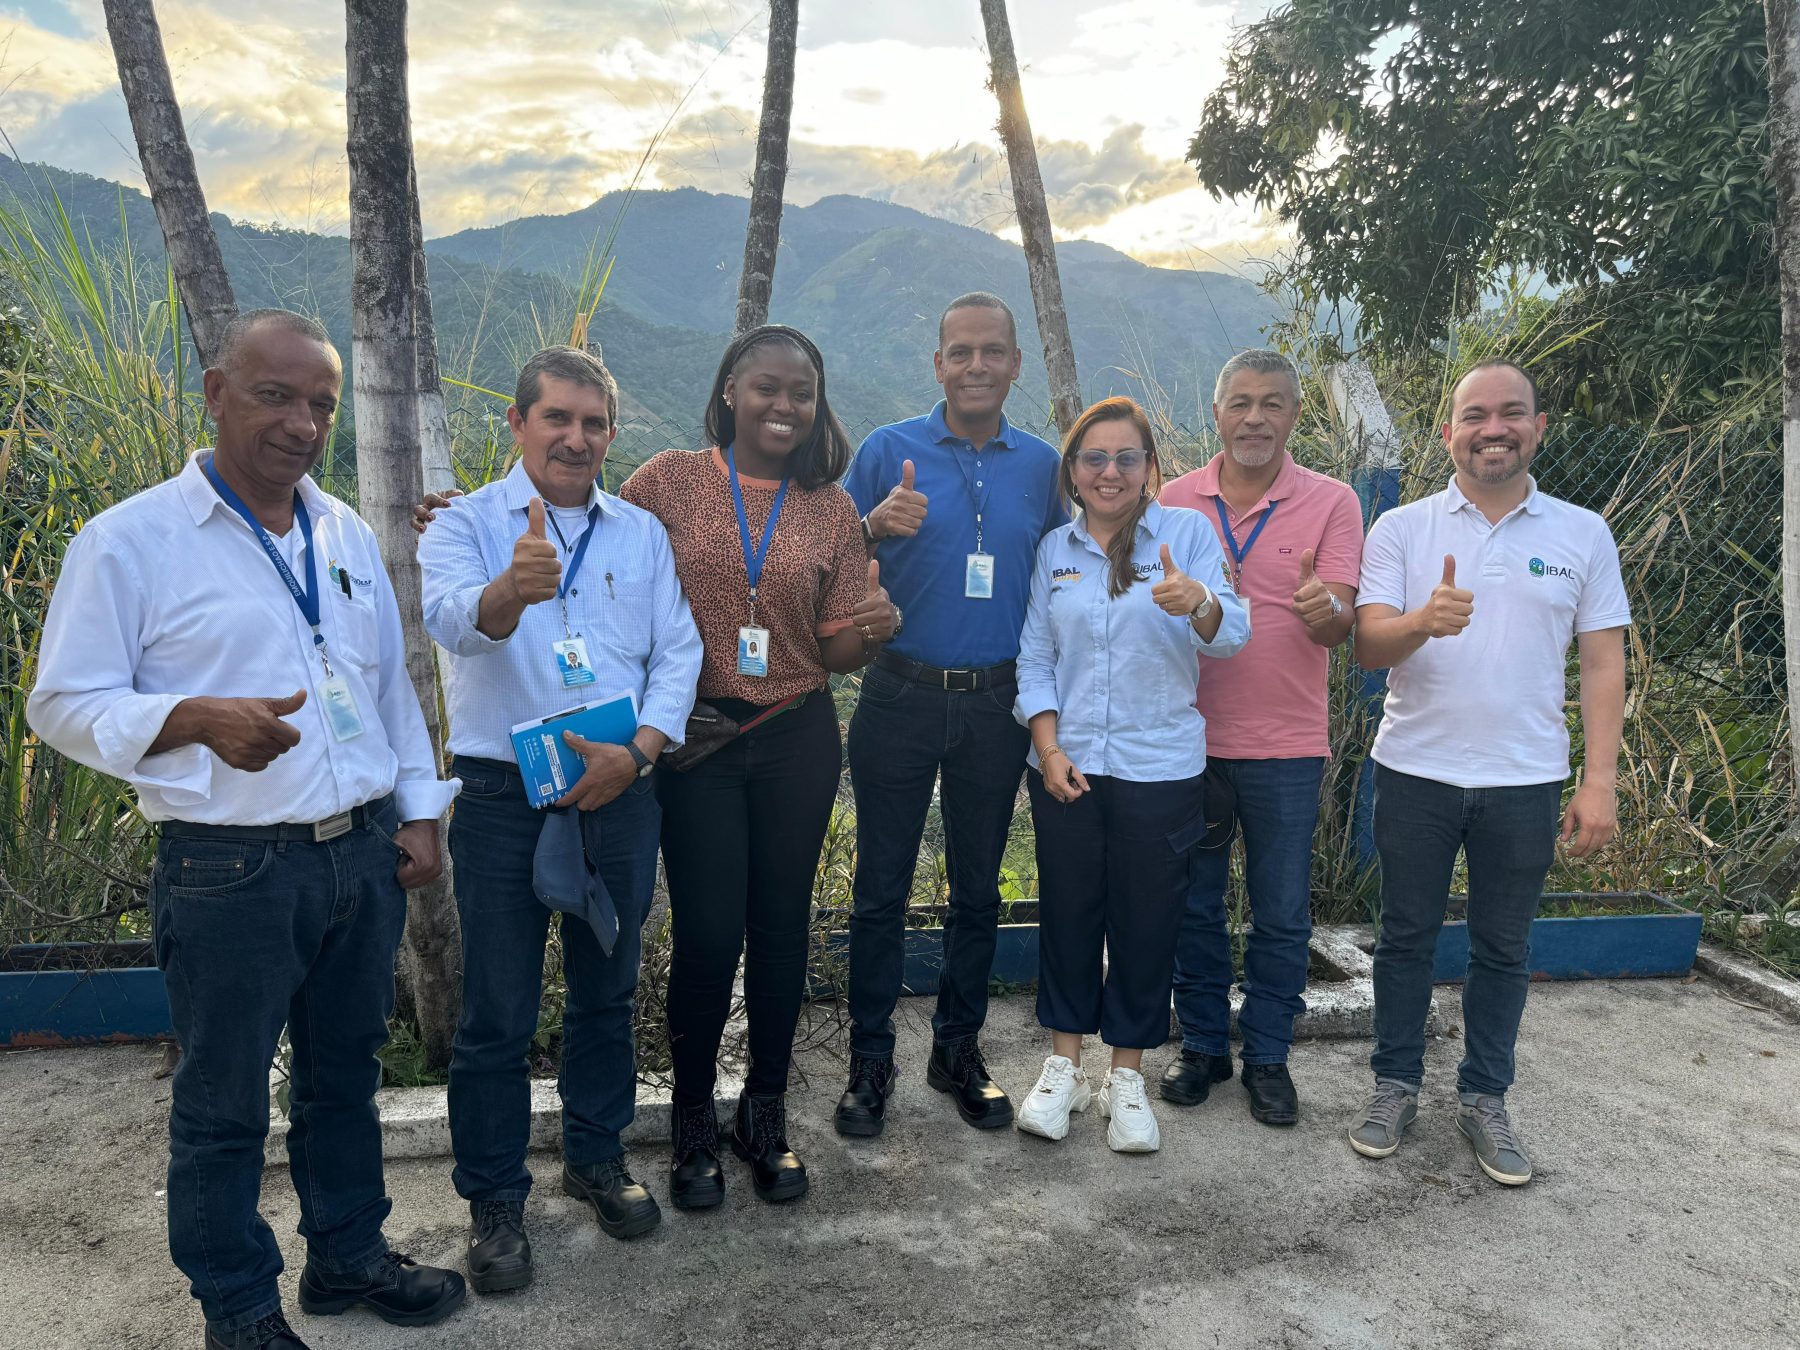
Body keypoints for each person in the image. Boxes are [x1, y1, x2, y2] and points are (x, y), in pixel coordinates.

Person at [27, 310, 465, 1350]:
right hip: (229, 868)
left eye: (320, 404)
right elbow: (62, 703)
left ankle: (347, 1256)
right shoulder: (128, 542)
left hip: (358, 853)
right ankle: (238, 1310)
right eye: (276, 396)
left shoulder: (341, 531)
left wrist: (418, 812)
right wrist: (190, 720)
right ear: (217, 393)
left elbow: (387, 689)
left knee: (344, 1078)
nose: (302, 423)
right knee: (224, 1105)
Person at [417, 347, 702, 1291]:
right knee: (497, 1011)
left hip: (621, 792)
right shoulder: (461, 524)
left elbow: (678, 651)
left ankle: (595, 1156)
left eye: (593, 423)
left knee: (606, 992)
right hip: (506, 798)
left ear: (611, 433)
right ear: (518, 422)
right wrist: (512, 587)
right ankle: (495, 1202)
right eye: (557, 419)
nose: (576, 439)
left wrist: (640, 752)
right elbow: (453, 623)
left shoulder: (641, 535)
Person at [620, 325, 896, 1205]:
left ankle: (764, 1117)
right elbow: (592, 546)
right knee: (707, 937)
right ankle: (693, 1124)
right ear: (730, 390)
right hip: (697, 736)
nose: (785, 405)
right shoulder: (664, 481)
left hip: (794, 733)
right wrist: (468, 516)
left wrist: (870, 632)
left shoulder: (830, 507)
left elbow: (834, 650)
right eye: (767, 387)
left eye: (801, 393)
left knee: (781, 930)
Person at [1347, 360, 1629, 1186]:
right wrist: (1421, 623)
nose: (1493, 429)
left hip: (1526, 778)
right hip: (1415, 770)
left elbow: (1603, 662)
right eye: (1475, 415)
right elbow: (1368, 646)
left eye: (1511, 414)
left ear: (1537, 428)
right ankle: (1394, 1086)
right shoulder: (1401, 529)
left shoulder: (1582, 534)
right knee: (1404, 938)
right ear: (1450, 433)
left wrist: (1599, 781)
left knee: (1504, 946)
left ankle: (1484, 1098)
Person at [836, 292, 1066, 1137]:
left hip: (996, 703)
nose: (976, 365)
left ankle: (957, 1049)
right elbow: (825, 559)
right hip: (897, 691)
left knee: (978, 888)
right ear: (938, 364)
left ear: (1014, 364)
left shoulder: (1042, 466)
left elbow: (1063, 571)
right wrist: (870, 526)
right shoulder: (886, 450)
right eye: (960, 352)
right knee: (880, 890)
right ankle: (870, 1060)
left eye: (992, 351)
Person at [1011, 397, 1249, 1152]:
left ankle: (1126, 1078)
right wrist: (1048, 749)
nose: (1109, 472)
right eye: (1094, 458)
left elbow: (1231, 634)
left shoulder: (1186, 535)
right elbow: (1034, 658)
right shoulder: (1055, 551)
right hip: (1069, 766)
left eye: (1126, 458)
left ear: (1150, 467)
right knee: (1069, 914)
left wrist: (1199, 600)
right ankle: (1063, 1067)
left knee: (1148, 923)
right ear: (1073, 471)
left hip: (1161, 766)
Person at [1156, 349, 1364, 1126]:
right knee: (1194, 907)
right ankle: (1205, 1046)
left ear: (1295, 415)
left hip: (1287, 746)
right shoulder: (1174, 499)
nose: (1254, 418)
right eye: (1240, 402)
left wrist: (1324, 611)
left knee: (1281, 913)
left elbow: (1340, 622)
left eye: (1272, 403)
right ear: (1216, 413)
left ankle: (1270, 1057)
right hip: (1189, 742)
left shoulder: (1334, 502)